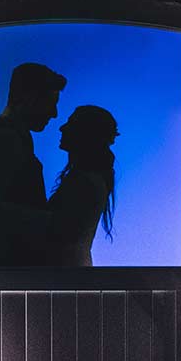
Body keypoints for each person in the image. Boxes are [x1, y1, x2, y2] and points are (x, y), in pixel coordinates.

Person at [0, 63, 66, 266]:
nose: (54, 113)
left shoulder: (16, 136)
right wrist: (51, 221)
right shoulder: (3, 138)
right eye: (50, 102)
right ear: (29, 98)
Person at [45, 105, 118, 266]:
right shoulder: (90, 179)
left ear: (85, 134)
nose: (62, 128)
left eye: (70, 124)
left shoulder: (86, 181)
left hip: (66, 272)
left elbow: (58, 230)